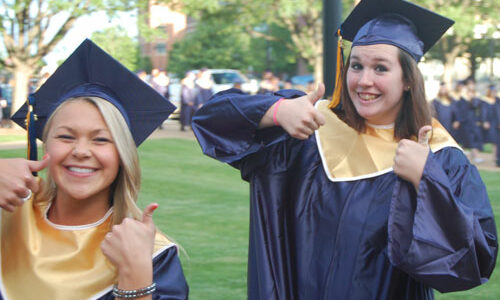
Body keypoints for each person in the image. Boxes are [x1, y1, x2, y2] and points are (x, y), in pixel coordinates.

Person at [191, 0, 497, 299]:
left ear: (407, 79)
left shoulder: (440, 156)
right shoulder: (312, 127)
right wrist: (275, 111)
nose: (364, 80)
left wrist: (427, 179)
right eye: (356, 66)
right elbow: (210, 120)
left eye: (380, 68)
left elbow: (475, 260)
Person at [4, 39, 188, 300]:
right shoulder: (9, 215)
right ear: (46, 145)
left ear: (123, 154)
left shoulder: (151, 252)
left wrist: (135, 277)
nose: (80, 151)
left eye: (101, 139)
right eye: (66, 137)